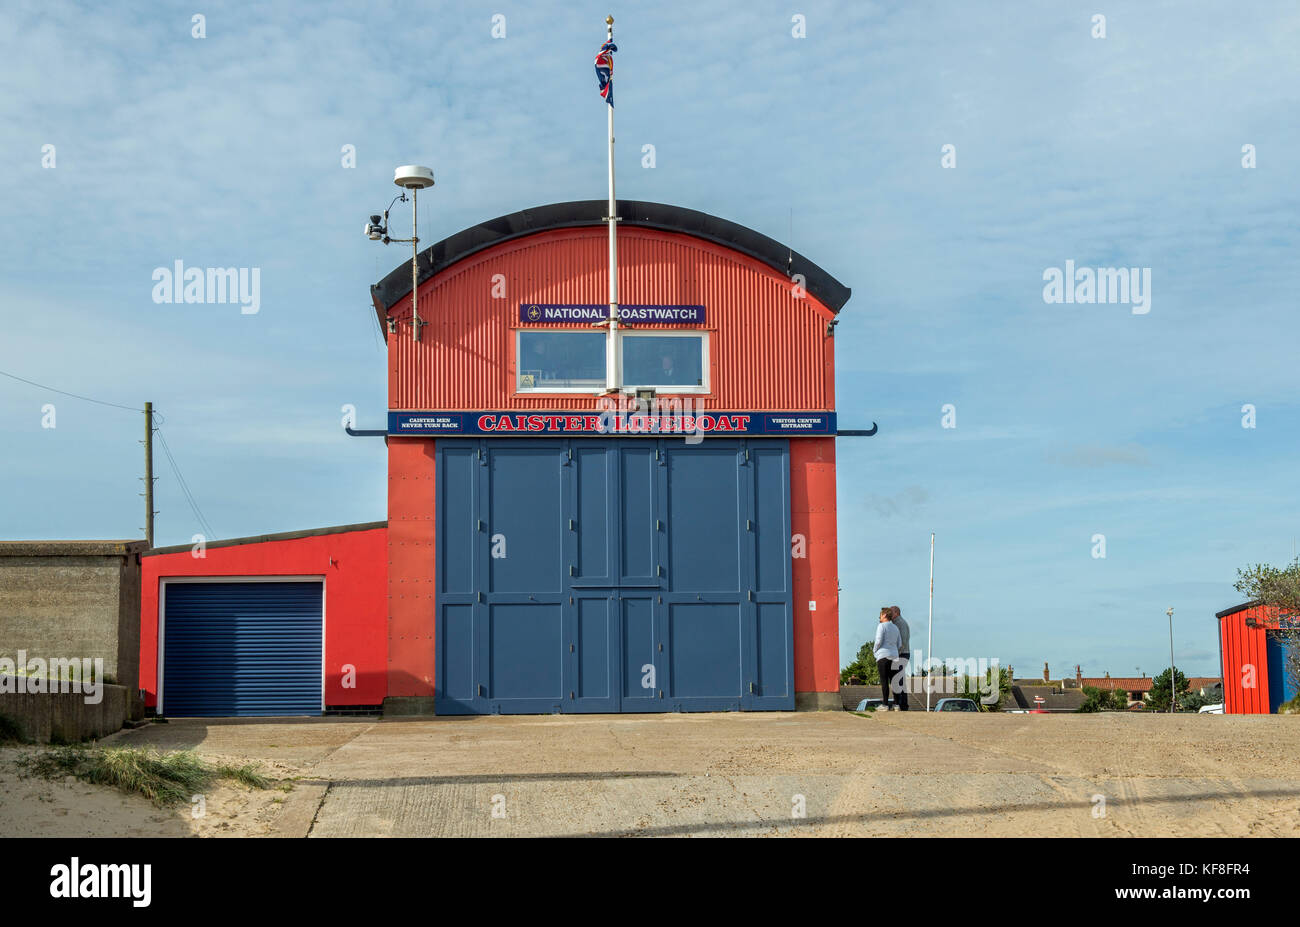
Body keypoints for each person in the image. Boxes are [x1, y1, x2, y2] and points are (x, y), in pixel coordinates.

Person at [872, 607, 901, 710]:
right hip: (894, 656)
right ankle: (896, 704)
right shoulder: (896, 628)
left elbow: (878, 640)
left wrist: (874, 650)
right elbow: (899, 643)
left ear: (884, 615)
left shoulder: (881, 626)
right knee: (894, 681)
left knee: (884, 681)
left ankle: (885, 704)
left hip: (883, 656)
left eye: (880, 615)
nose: (879, 617)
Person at [890, 605, 910, 711]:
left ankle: (902, 704)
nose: (889, 614)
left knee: (898, 679)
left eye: (891, 612)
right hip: (902, 654)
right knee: (899, 679)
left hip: (901, 654)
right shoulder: (896, 623)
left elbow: (903, 641)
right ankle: (902, 704)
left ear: (896, 613)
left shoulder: (900, 623)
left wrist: (896, 655)